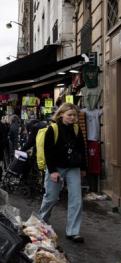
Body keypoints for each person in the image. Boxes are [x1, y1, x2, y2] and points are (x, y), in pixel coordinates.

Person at [38, 103, 87, 243]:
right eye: (69, 115)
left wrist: (83, 167)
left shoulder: (76, 129)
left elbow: (81, 149)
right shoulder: (53, 129)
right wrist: (52, 171)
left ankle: (73, 231)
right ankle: (42, 220)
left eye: (74, 115)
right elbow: (48, 152)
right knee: (51, 197)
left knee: (76, 199)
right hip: (56, 168)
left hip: (73, 168)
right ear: (61, 115)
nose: (72, 118)